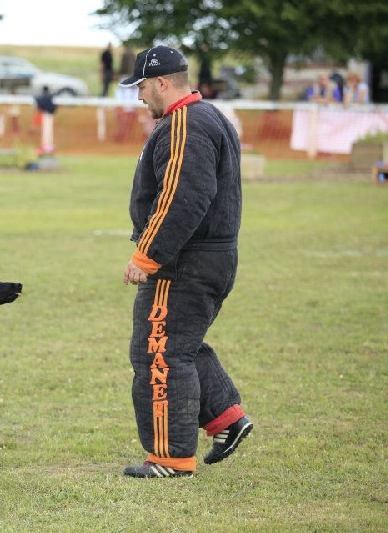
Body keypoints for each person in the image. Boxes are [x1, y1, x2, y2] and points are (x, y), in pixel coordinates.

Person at [117, 46, 253, 478]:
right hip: (209, 258)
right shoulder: (209, 117)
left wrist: (147, 254)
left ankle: (170, 458)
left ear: (161, 82)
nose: (139, 97)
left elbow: (182, 198)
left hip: (185, 263)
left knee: (158, 352)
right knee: (181, 344)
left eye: (140, 86)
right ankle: (226, 419)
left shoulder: (185, 124)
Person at [33, 85, 57, 153]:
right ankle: (48, 146)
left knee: (46, 131)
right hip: (49, 115)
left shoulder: (42, 98)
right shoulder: (50, 97)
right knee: (48, 131)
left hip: (45, 115)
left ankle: (47, 147)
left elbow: (38, 104)